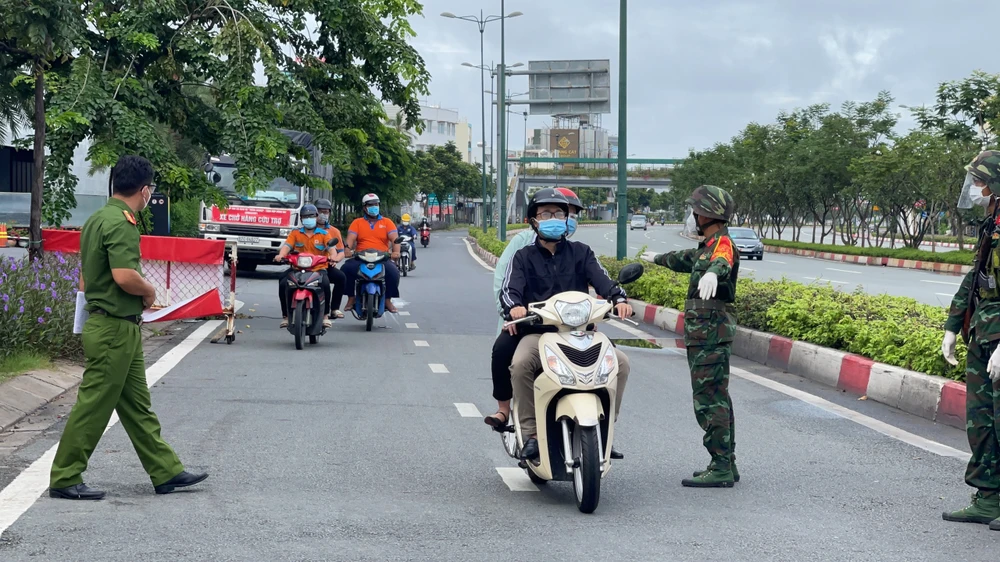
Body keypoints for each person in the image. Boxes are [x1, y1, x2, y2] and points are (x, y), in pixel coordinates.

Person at [49, 155, 208, 500]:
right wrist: (150, 292)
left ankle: (166, 471)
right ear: (146, 189)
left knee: (137, 405)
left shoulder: (96, 219)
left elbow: (85, 275)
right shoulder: (122, 223)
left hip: (115, 327)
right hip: (114, 330)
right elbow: (124, 276)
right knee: (94, 405)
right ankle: (65, 476)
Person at [500, 189, 632, 461]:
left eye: (560, 213)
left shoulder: (582, 253)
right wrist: (514, 306)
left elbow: (603, 280)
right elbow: (509, 289)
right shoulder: (522, 257)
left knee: (621, 363)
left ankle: (604, 431)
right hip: (539, 334)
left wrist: (618, 298)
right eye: (546, 213)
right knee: (521, 364)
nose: (555, 219)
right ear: (533, 221)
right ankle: (532, 434)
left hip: (581, 334)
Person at [652, 185, 740, 488]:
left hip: (710, 333)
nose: (693, 215)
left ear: (707, 214)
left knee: (709, 401)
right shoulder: (708, 245)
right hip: (705, 332)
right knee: (718, 397)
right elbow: (686, 258)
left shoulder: (722, 245)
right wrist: (657, 258)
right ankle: (727, 462)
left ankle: (720, 466)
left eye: (696, 210)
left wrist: (715, 272)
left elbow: (722, 261)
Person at [485, 188, 585, 431]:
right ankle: (505, 410)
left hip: (569, 325)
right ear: (535, 220)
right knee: (504, 354)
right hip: (526, 322)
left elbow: (596, 278)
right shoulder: (523, 248)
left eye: (567, 214)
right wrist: (510, 311)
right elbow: (505, 280)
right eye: (549, 214)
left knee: (613, 361)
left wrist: (613, 298)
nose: (561, 220)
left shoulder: (577, 250)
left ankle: (600, 426)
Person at [941, 150, 1000, 528]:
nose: (974, 188)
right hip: (983, 332)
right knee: (981, 421)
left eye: (980, 181)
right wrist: (951, 325)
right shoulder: (992, 223)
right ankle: (989, 497)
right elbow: (976, 276)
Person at [274, 204, 336, 328]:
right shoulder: (295, 233)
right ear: (301, 219)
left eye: (311, 216)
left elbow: (331, 248)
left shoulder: (324, 234)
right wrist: (281, 255)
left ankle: (325, 316)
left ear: (316, 217)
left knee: (325, 283)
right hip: (297, 268)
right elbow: (287, 246)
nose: (308, 219)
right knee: (282, 282)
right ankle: (286, 316)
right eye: (306, 217)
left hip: (318, 269)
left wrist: (332, 256)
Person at [342, 193, 402, 313]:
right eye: (370, 205)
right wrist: (347, 250)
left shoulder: (387, 222)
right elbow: (350, 239)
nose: (374, 207)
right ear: (365, 207)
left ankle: (387, 300)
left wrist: (396, 252)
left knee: (394, 272)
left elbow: (395, 239)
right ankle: (351, 297)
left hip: (382, 257)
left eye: (376, 204)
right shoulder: (357, 223)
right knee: (345, 269)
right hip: (361, 256)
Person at [314, 198, 347, 318]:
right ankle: (288, 313)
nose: (323, 215)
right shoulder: (301, 231)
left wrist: (335, 260)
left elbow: (340, 251)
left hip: (324, 265)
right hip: (305, 265)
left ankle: (333, 309)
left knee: (340, 277)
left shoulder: (333, 231)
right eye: (320, 212)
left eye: (326, 212)